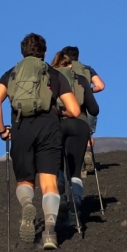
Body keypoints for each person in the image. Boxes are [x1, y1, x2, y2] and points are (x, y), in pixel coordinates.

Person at [0, 33, 81, 250]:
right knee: (49, 183)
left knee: (25, 181)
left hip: (21, 129)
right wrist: (61, 113)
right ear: (45, 53)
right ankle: (49, 232)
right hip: (49, 128)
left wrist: (2, 130)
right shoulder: (54, 74)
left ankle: (28, 204)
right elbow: (75, 109)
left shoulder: (12, 73)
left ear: (23, 52)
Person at [52, 49, 99, 224]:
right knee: (75, 170)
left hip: (56, 124)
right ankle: (75, 208)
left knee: (57, 163)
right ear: (71, 65)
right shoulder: (81, 80)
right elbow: (94, 109)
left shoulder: (50, 81)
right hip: (80, 125)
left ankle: (61, 195)